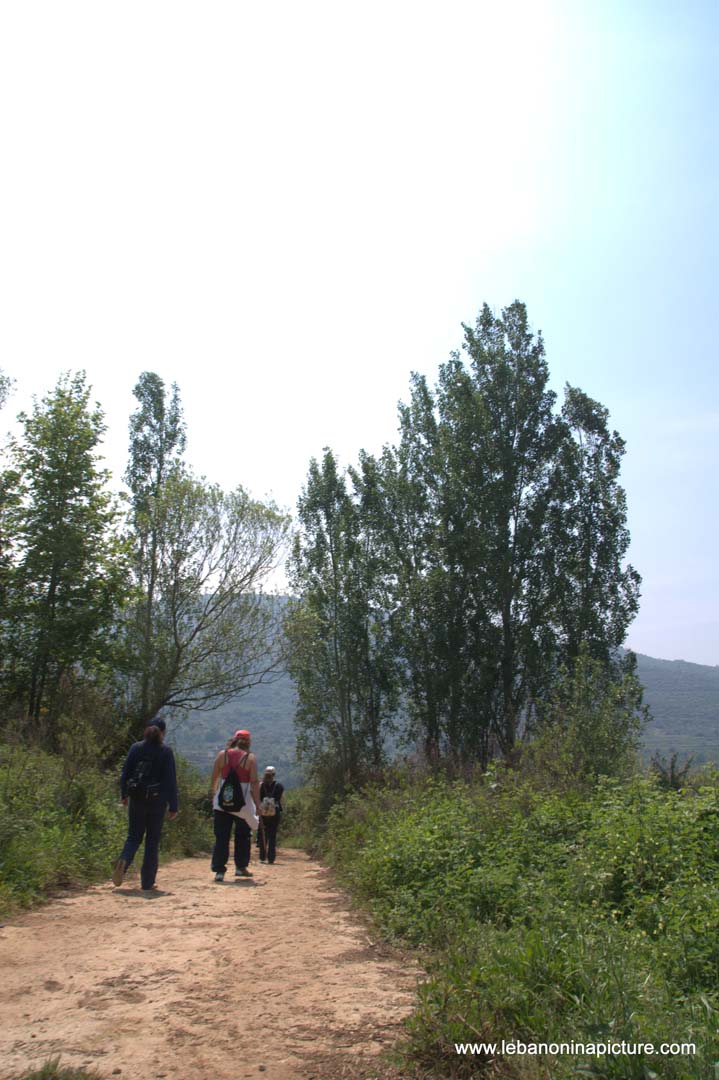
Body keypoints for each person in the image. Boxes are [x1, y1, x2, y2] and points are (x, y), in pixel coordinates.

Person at [113, 718, 179, 892]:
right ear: (163, 733)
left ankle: (123, 862)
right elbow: (171, 781)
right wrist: (173, 806)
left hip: (137, 799)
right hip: (157, 801)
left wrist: (124, 794)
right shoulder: (166, 751)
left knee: (133, 836)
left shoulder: (136, 748)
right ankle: (147, 882)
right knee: (152, 841)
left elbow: (125, 773)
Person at [209, 729, 260, 882]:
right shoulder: (250, 759)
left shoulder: (222, 755)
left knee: (221, 837)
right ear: (248, 742)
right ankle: (240, 867)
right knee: (243, 836)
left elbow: (214, 778)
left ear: (234, 740)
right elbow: (254, 783)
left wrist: (214, 795)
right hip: (242, 806)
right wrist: (258, 804)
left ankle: (219, 870)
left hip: (222, 803)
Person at [258, 765, 284, 865]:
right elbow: (281, 799)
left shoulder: (261, 785)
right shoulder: (279, 786)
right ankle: (271, 858)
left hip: (263, 813)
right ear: (274, 775)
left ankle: (262, 856)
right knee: (272, 835)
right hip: (275, 812)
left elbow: (258, 798)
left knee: (262, 834)